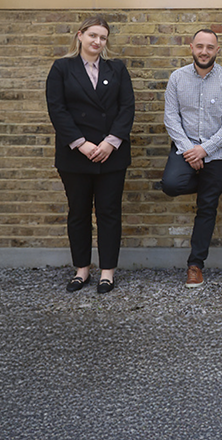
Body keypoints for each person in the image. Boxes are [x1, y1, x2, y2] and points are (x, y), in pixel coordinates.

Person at [46, 15, 134, 294]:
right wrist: (81, 143)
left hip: (112, 154)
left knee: (109, 212)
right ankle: (82, 269)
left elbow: (127, 107)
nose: (98, 41)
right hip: (75, 155)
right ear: (80, 35)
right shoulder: (62, 68)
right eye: (93, 35)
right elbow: (57, 109)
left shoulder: (116, 69)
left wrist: (110, 142)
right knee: (79, 213)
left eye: (103, 38)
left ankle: (107, 271)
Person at [161, 28, 222, 288]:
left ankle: (195, 265)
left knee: (207, 207)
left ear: (218, 50)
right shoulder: (177, 78)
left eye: (210, 47)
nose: (204, 51)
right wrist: (190, 150)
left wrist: (205, 149)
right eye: (200, 46)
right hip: (185, 150)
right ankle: (209, 186)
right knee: (171, 185)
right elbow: (171, 118)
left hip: (217, 153)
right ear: (191, 47)